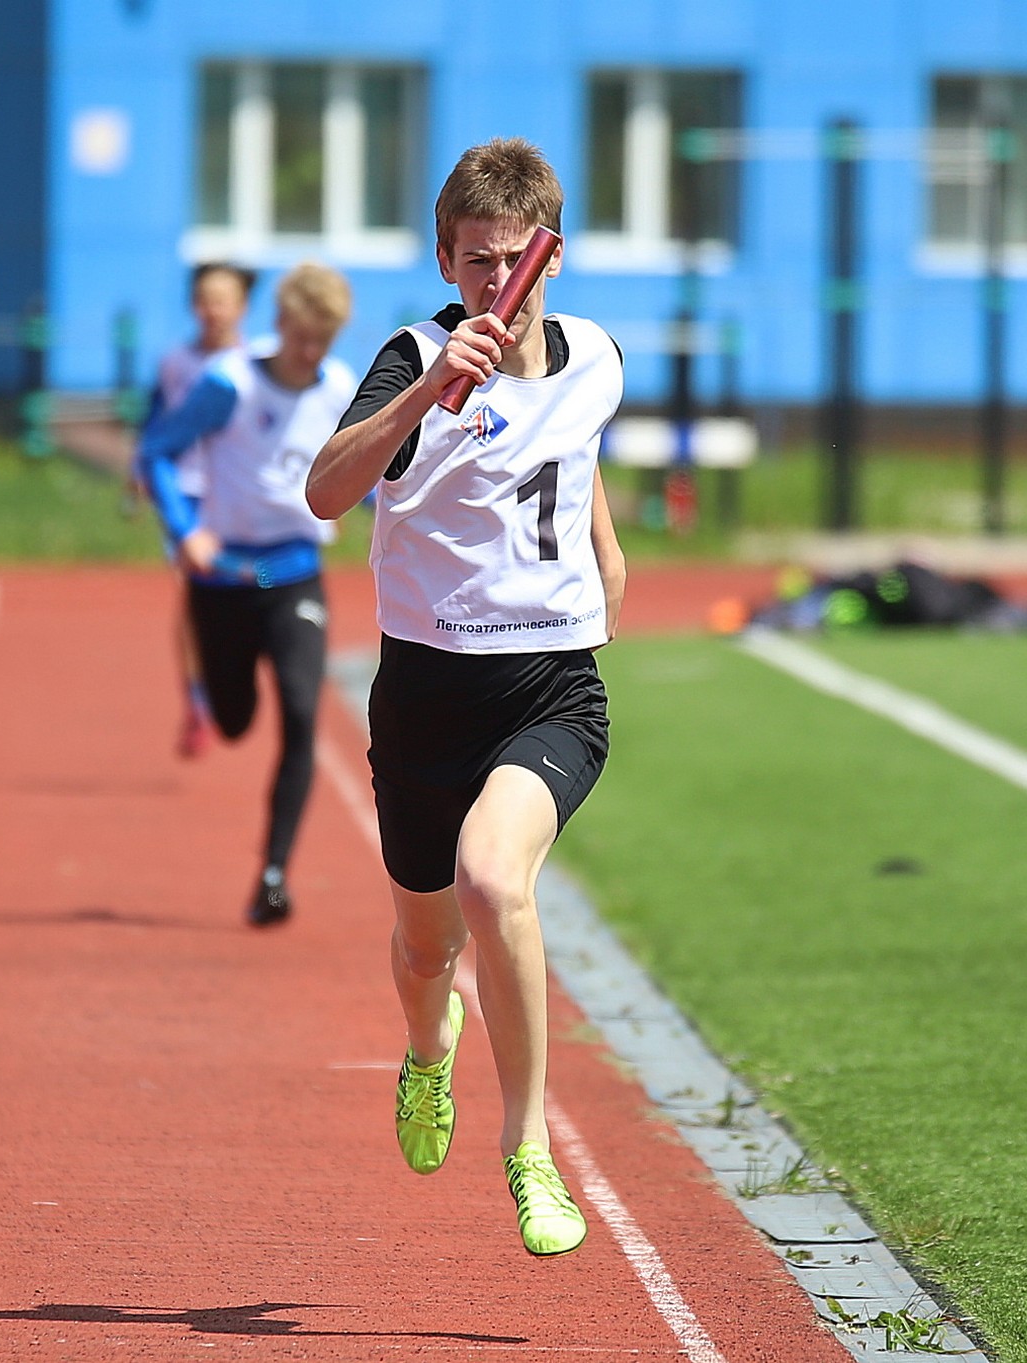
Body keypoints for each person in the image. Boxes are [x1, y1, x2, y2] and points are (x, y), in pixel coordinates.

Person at [305, 139, 626, 1256]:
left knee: (497, 882)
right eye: (474, 263)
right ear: (446, 263)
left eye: (512, 260)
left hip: (549, 691)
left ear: (548, 257)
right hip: (425, 697)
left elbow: (573, 469)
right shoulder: (411, 357)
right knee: (424, 948)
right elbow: (325, 490)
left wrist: (604, 567)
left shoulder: (596, 358)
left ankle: (529, 1147)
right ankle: (426, 1053)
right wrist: (430, 398)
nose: (496, 283)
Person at [136, 262, 357, 927]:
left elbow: (373, 471)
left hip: (291, 575)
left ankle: (273, 873)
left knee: (300, 712)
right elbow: (156, 451)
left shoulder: (342, 387)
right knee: (235, 721)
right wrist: (184, 531)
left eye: (323, 340)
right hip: (230, 577)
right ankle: (222, 697)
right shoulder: (228, 383)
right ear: (279, 324)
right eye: (300, 338)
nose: (310, 353)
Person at [149, 262, 257, 760]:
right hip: (188, 497)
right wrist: (141, 468)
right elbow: (157, 427)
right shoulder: (175, 363)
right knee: (189, 598)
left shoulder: (258, 363)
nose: (213, 310)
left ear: (241, 307)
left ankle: (238, 664)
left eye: (223, 299)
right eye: (205, 299)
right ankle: (196, 701)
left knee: (249, 589)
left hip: (237, 494)